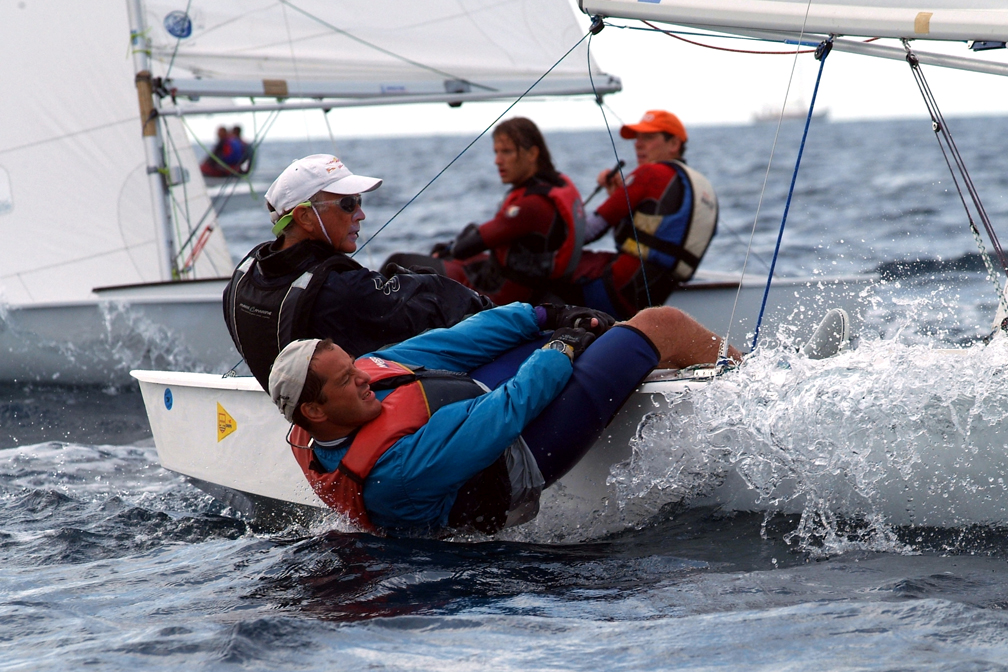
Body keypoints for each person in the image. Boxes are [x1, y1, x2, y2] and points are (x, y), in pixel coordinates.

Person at [269, 302, 743, 535]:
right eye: (346, 380)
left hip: (485, 403)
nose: (363, 378)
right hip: (522, 453)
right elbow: (508, 410)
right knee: (661, 323)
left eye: (354, 366)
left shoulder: (336, 405)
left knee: (596, 333)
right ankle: (757, 390)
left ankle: (645, 358)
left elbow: (456, 340)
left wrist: (545, 315)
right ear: (314, 410)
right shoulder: (394, 473)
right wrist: (561, 347)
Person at [223, 154, 495, 392]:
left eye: (359, 201)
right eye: (348, 204)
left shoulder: (241, 277)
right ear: (304, 217)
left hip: (290, 408)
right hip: (342, 422)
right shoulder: (341, 290)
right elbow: (435, 302)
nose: (361, 214)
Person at [386, 118, 586, 305]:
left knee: (400, 262)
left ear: (532, 154)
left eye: (506, 152)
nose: (497, 161)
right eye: (496, 152)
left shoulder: (533, 204)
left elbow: (474, 243)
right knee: (461, 244)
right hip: (517, 281)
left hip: (503, 296)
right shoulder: (555, 184)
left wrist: (448, 250)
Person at [560, 110, 719, 319]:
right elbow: (652, 235)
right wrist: (617, 194)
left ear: (674, 144)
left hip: (614, 291)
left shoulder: (650, 174)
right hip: (651, 297)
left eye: (649, 137)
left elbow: (588, 232)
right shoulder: (702, 187)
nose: (638, 144)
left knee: (545, 273)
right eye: (637, 137)